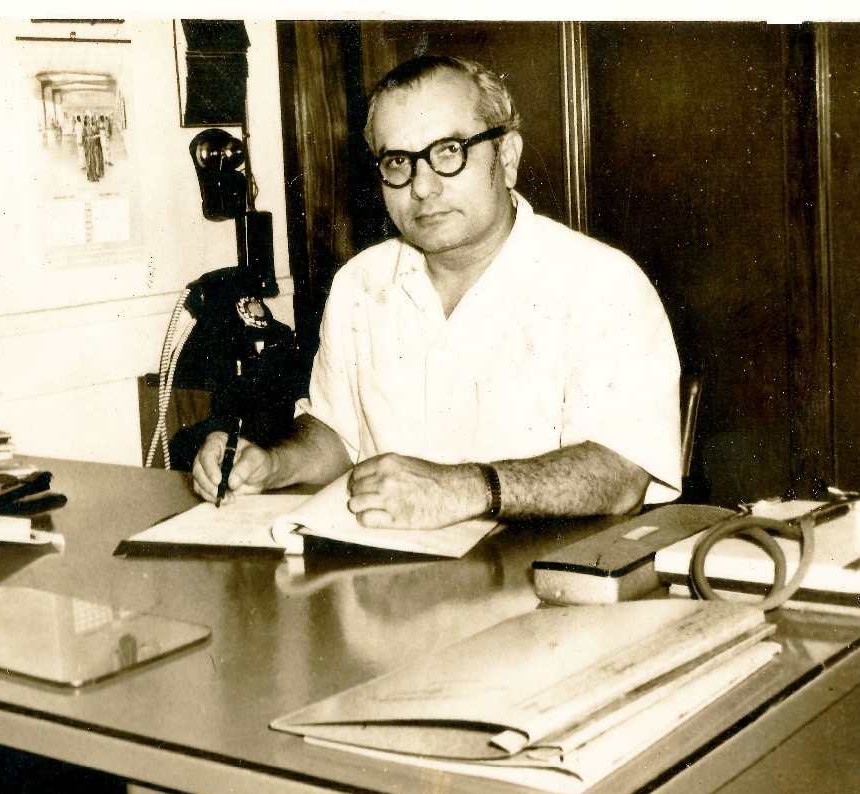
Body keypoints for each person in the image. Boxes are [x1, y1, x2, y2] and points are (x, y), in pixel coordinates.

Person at [193, 55, 681, 529]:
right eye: (399, 161)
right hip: (391, 583)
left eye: (449, 151)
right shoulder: (360, 285)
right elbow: (337, 434)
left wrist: (460, 490)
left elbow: (621, 474)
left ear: (507, 158)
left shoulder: (601, 284)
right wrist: (269, 464)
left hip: (541, 579)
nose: (422, 187)